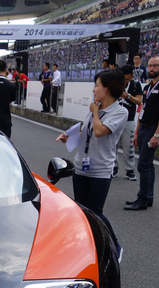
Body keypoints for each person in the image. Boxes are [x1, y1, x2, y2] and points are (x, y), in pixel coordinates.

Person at [57, 69, 128, 261]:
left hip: (100, 170)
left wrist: (95, 112)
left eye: (97, 85)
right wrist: (70, 137)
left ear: (108, 88)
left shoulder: (120, 112)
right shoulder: (94, 108)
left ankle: (115, 246)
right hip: (81, 167)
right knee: (82, 212)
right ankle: (89, 248)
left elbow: (99, 131)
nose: (94, 90)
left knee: (95, 212)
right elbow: (88, 133)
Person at [125, 55, 159, 211]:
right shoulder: (148, 87)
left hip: (153, 129)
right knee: (147, 164)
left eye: (155, 65)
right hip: (143, 127)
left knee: (143, 164)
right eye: (150, 66)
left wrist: (157, 134)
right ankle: (148, 197)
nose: (151, 68)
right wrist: (136, 132)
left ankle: (142, 199)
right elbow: (142, 110)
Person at [113, 65, 143, 180]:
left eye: (128, 78)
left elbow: (139, 101)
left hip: (129, 119)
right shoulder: (115, 83)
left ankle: (129, 170)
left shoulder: (135, 84)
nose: (126, 81)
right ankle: (113, 167)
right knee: (112, 145)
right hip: (114, 119)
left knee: (129, 146)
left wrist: (128, 96)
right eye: (124, 78)